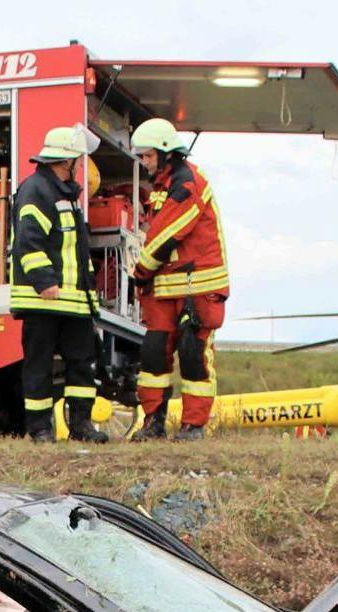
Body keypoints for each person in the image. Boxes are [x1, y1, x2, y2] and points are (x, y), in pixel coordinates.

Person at [129, 118, 229, 442]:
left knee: (193, 353)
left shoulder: (188, 183)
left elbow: (165, 235)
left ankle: (193, 426)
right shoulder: (163, 185)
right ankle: (153, 422)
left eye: (146, 155)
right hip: (165, 285)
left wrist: (141, 271)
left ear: (165, 152)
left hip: (196, 284)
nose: (143, 162)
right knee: (154, 352)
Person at [9, 126, 104, 443]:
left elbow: (75, 250)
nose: (81, 165)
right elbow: (28, 241)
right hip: (44, 300)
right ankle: (39, 429)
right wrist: (44, 281)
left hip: (73, 301)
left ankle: (82, 426)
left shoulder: (64, 193)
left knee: (82, 365)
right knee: (39, 365)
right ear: (66, 161)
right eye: (78, 159)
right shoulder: (36, 190)